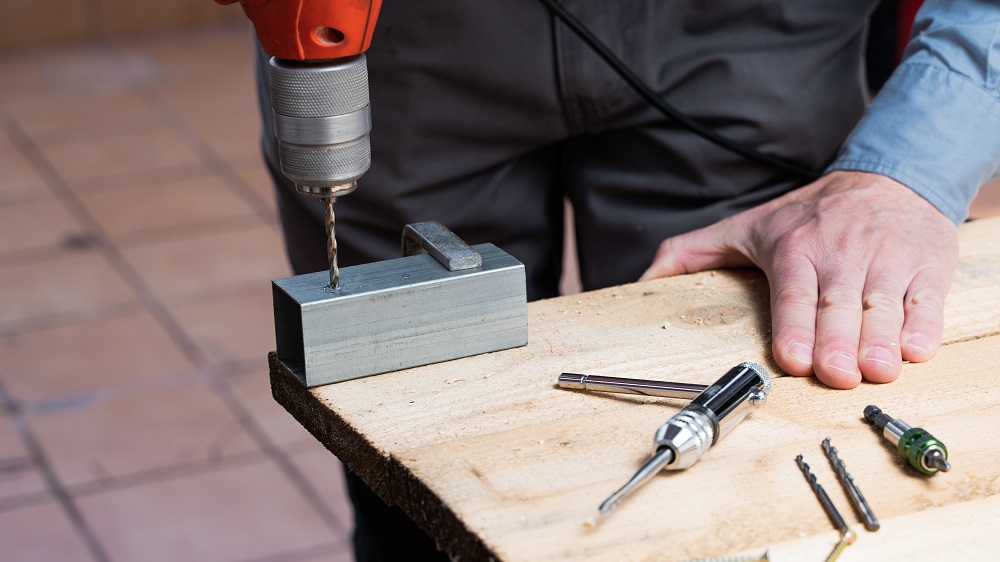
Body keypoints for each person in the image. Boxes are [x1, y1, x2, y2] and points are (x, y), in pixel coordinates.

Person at [254, 1, 1000, 559]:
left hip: (755, 32)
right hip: (398, 38)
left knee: (748, 423)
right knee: (410, 437)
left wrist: (905, 169)